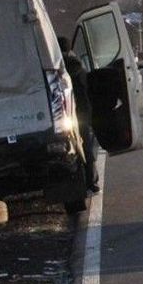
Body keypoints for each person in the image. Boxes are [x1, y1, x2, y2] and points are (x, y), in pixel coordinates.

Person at [57, 36, 99, 194]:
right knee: (86, 147)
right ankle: (91, 181)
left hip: (64, 115)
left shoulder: (58, 68)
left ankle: (78, 181)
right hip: (81, 113)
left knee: (68, 150)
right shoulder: (78, 66)